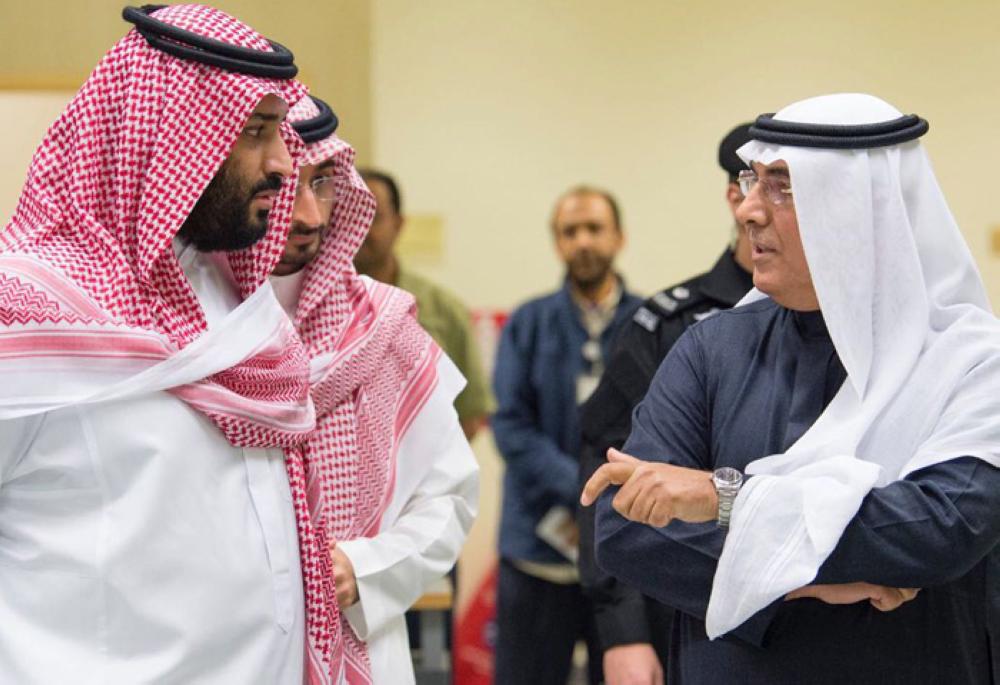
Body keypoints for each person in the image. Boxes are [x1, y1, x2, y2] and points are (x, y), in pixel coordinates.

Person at [583, 93, 1000, 684]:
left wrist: (721, 498)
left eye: (782, 186)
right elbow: (628, 528)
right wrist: (821, 581)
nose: (749, 210)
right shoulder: (709, 350)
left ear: (863, 207)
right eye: (752, 182)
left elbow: (942, 526)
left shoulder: (973, 360)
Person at [0, 5, 318, 683]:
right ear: (171, 138)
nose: (283, 164)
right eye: (256, 132)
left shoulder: (234, 300)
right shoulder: (22, 312)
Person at [275, 95, 478, 684]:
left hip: (358, 647)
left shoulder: (382, 329)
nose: (309, 214)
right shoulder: (189, 334)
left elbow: (450, 498)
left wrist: (360, 568)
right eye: (286, 185)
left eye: (323, 184)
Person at [576, 123, 755, 685]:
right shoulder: (673, 323)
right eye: (762, 185)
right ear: (736, 195)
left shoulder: (847, 324)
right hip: (686, 613)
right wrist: (622, 630)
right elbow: (608, 469)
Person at [492, 186, 642, 685]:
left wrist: (604, 501)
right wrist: (583, 491)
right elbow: (511, 428)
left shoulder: (652, 324)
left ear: (618, 237)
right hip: (537, 555)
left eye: (594, 229)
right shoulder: (527, 324)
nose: (583, 242)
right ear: (556, 243)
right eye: (569, 231)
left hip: (623, 556)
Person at [354, 169, 495, 440]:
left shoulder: (444, 309)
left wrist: (434, 467)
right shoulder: (315, 307)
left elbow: (471, 411)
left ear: (398, 224)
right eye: (350, 214)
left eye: (373, 216)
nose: (360, 227)